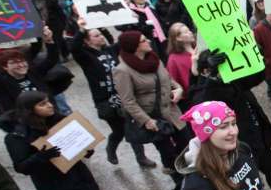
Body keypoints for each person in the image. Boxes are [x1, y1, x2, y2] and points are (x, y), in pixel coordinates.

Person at [188, 51, 271, 190]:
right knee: (251, 178)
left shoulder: (233, 80)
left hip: (257, 136)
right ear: (206, 71)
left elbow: (255, 78)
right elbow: (200, 101)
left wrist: (257, 59)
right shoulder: (205, 90)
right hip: (239, 143)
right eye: (220, 67)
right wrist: (211, 78)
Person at [4, 92, 101, 190]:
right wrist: (41, 157)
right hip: (53, 182)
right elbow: (21, 167)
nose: (50, 105)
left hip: (75, 173)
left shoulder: (60, 121)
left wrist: (85, 149)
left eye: (48, 101)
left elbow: (75, 144)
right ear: (29, 110)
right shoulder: (17, 136)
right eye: (42, 104)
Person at [71, 20, 155, 167]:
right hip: (105, 101)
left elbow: (129, 40)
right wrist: (81, 30)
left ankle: (141, 158)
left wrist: (133, 21)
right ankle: (111, 148)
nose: (101, 37)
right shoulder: (86, 57)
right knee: (119, 131)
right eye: (96, 36)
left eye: (101, 34)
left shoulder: (110, 50)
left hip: (122, 97)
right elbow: (74, 48)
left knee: (132, 126)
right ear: (87, 41)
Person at [112, 30, 187, 175]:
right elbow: (128, 101)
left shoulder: (155, 60)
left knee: (187, 144)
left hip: (172, 112)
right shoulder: (122, 70)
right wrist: (146, 121)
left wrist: (178, 89)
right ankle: (179, 182)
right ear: (134, 46)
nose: (149, 41)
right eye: (143, 40)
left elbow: (169, 80)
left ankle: (192, 174)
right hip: (154, 119)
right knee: (169, 154)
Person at [0, 27, 59, 121]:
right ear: (5, 67)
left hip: (50, 116)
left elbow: (51, 59)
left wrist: (49, 40)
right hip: (25, 124)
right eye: (14, 63)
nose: (21, 65)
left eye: (22, 61)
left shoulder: (33, 73)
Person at [165, 22, 196, 106]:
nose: (190, 33)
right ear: (178, 38)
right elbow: (173, 81)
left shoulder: (199, 47)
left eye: (189, 30)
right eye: (186, 32)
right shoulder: (173, 59)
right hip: (193, 98)